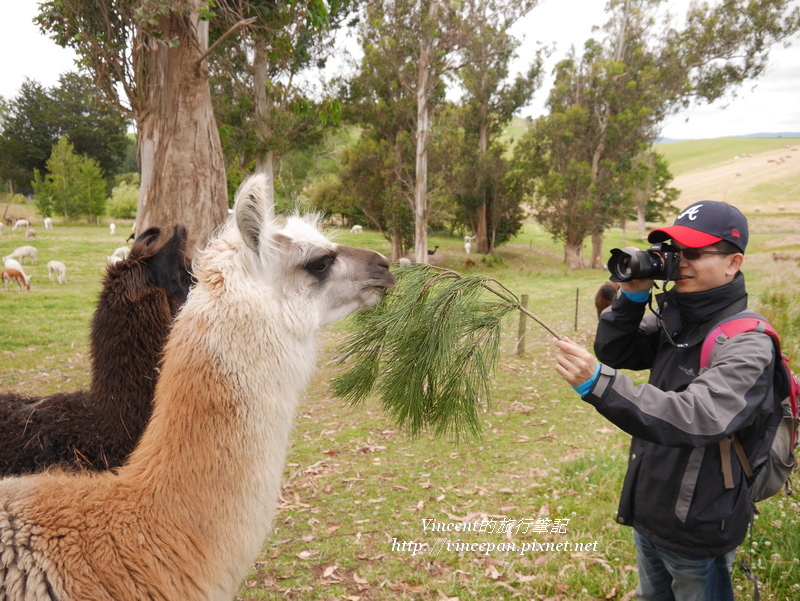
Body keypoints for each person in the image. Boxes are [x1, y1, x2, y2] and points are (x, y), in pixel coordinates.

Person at [553, 200, 778, 601]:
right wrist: (633, 299)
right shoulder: (678, 317)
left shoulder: (748, 343)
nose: (680, 263)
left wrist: (599, 385)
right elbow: (618, 352)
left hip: (700, 522)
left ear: (733, 262)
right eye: (673, 252)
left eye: (693, 253)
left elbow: (698, 416)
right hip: (651, 510)